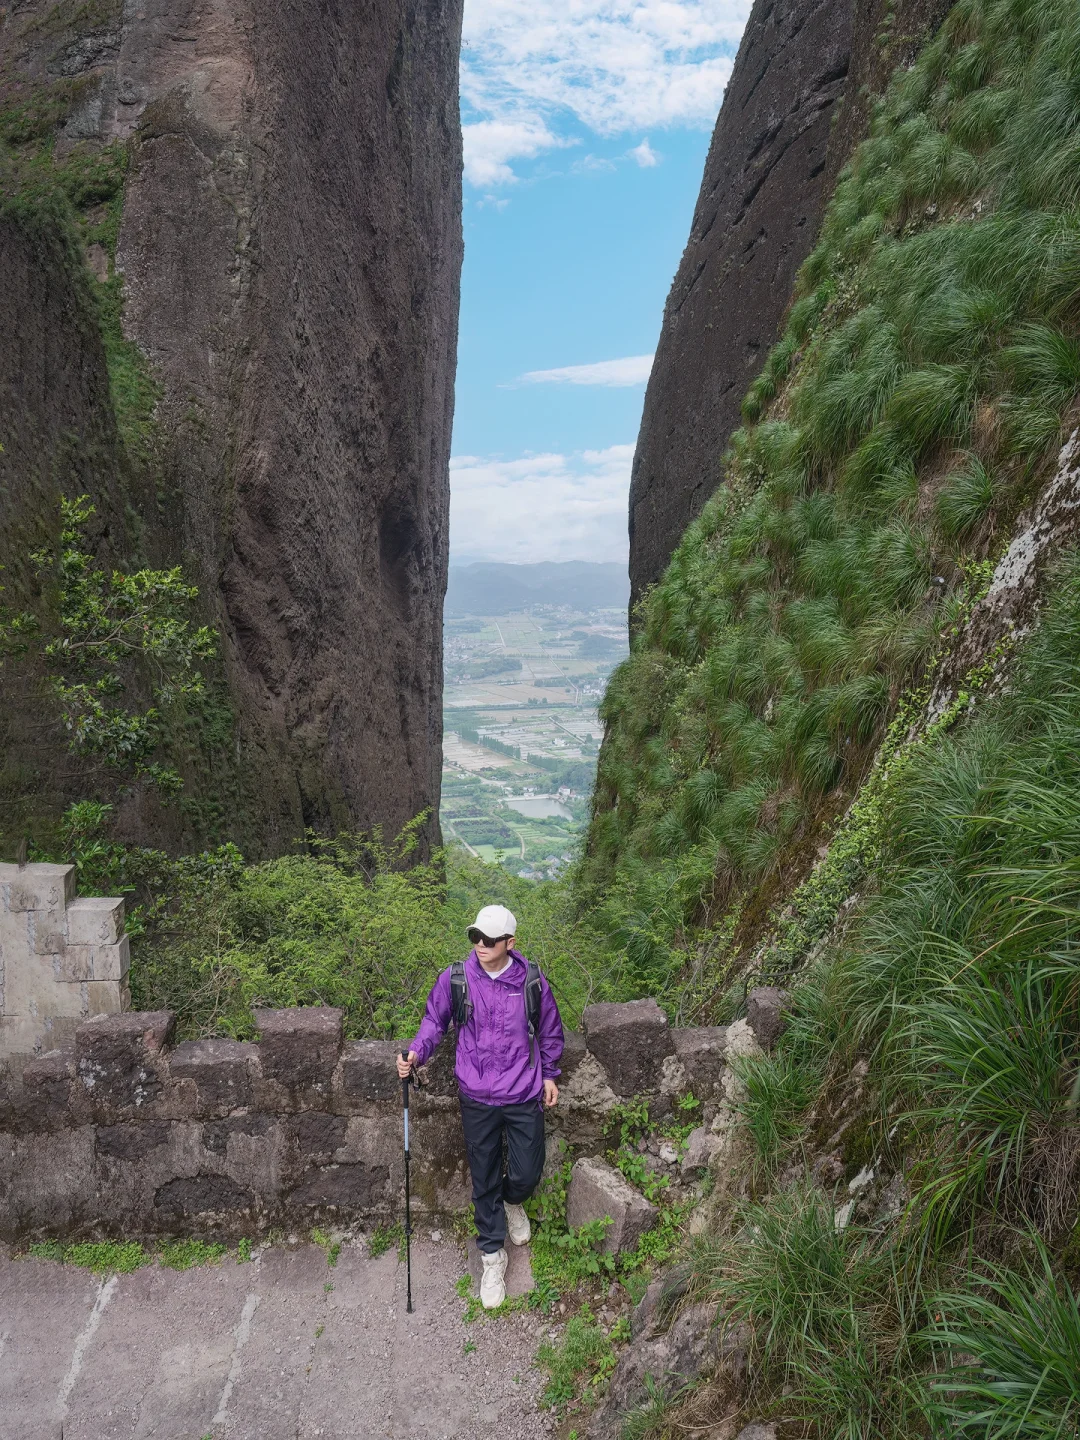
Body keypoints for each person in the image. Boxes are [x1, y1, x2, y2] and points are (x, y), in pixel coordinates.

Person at [396, 903, 564, 1308]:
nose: (481, 945)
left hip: (523, 1091)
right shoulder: (457, 979)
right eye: (476, 937)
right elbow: (435, 1021)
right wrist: (417, 1052)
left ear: (510, 942)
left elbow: (549, 1030)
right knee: (483, 1175)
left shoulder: (532, 982)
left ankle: (514, 1201)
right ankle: (492, 1254)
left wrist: (550, 1073)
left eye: (490, 940)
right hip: (475, 1093)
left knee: (526, 1172)